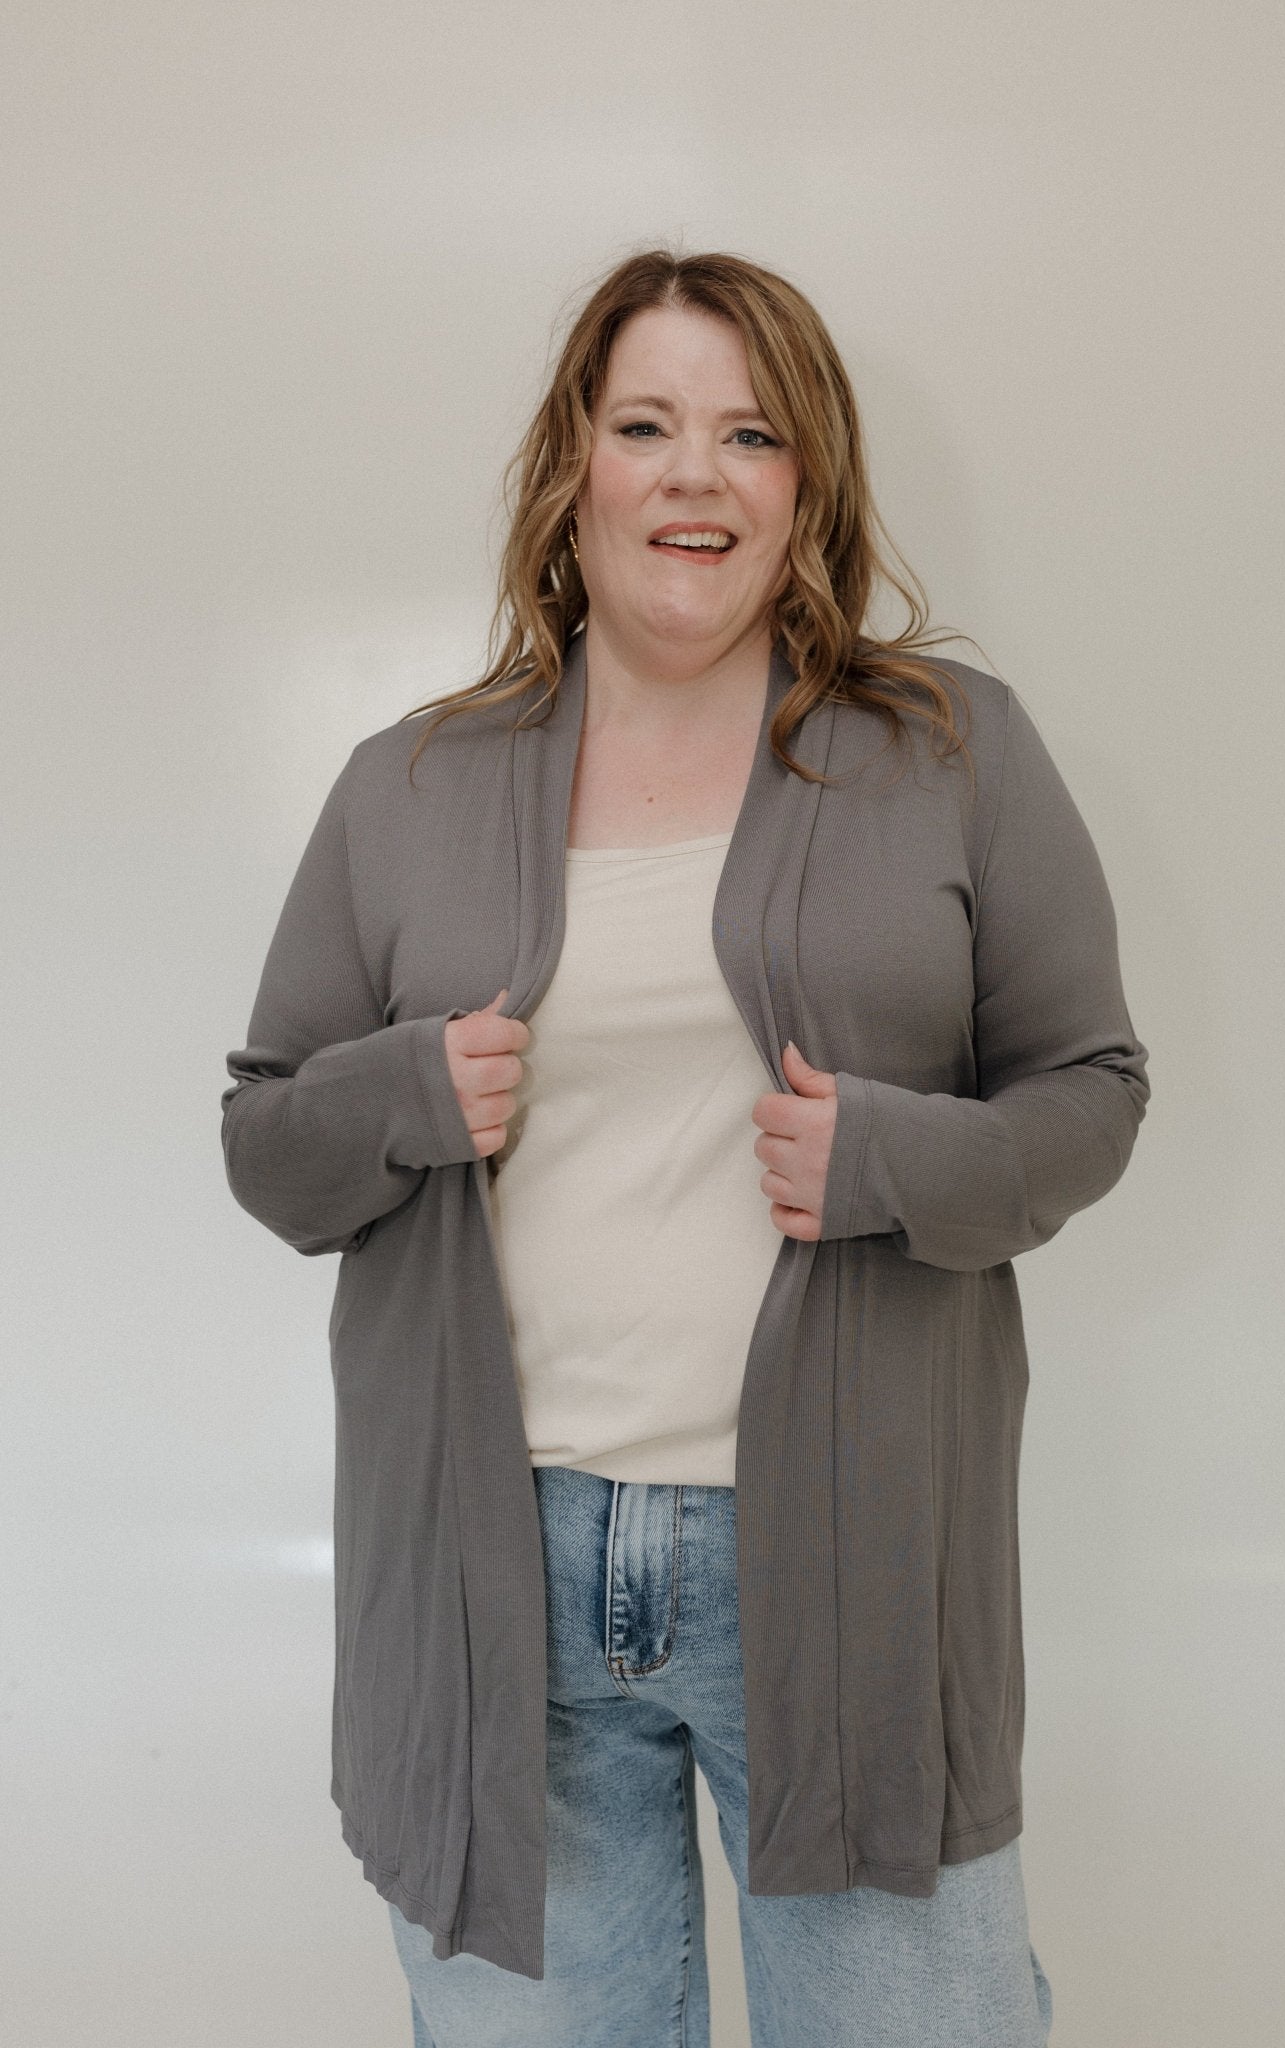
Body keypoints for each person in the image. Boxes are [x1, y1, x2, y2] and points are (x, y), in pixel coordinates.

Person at [221, 246, 1151, 2047]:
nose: (693, 475)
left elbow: (1089, 1085)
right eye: (644, 425)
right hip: (491, 1569)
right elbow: (270, 1147)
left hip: (852, 1560)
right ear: (574, 466)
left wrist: (892, 1162)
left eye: (750, 432)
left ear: (809, 481)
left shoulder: (948, 750)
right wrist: (405, 1094)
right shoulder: (406, 786)